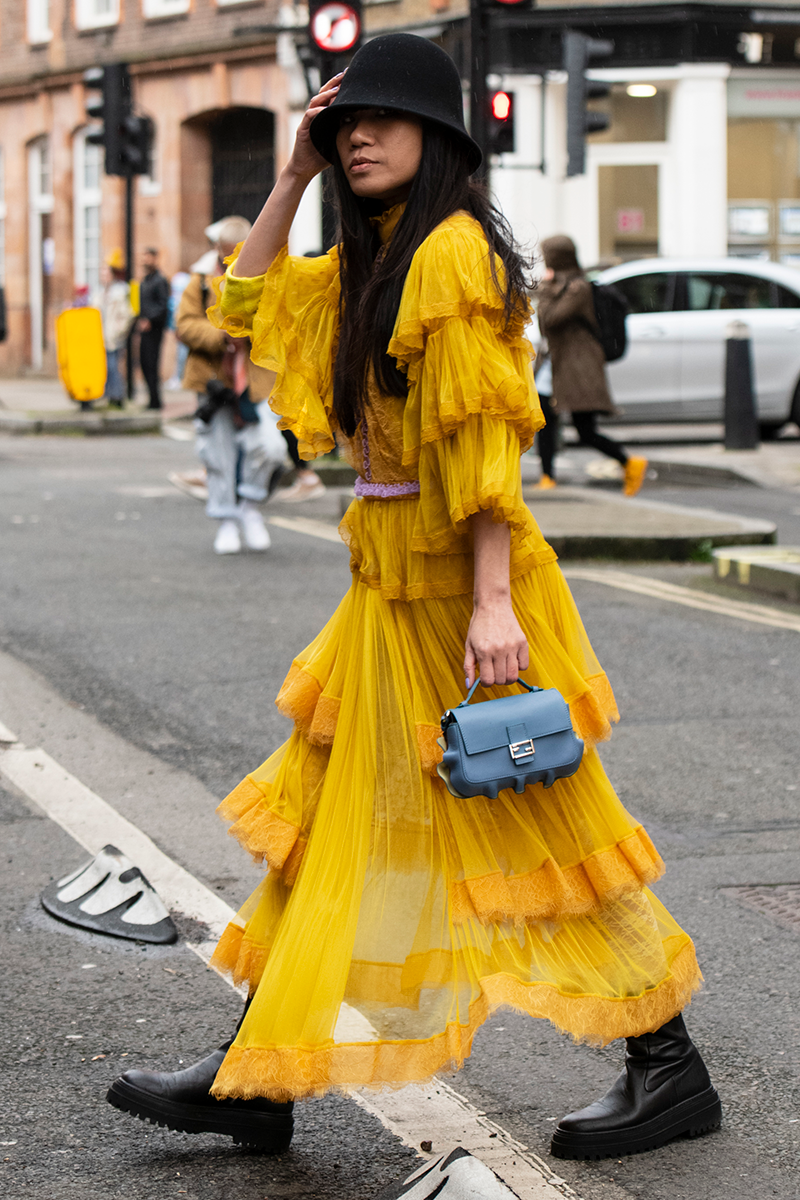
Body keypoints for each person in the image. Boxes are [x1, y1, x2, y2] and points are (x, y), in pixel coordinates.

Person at [107, 35, 720, 1163]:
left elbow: (484, 451)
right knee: (320, 823)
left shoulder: (446, 255)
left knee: (540, 818)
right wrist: (288, 176)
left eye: (384, 121)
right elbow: (242, 307)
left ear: (439, 141)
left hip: (456, 578)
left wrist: (492, 604)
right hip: (383, 578)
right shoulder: (370, 255)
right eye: (343, 125)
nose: (360, 136)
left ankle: (668, 1067)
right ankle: (257, 1074)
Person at [176, 215, 285, 555]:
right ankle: (226, 521)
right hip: (214, 381)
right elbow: (184, 325)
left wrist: (249, 330)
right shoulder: (201, 283)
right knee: (218, 454)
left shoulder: (268, 278)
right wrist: (220, 335)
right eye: (225, 255)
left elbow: (281, 323)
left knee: (271, 447)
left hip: (255, 381)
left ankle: (250, 507)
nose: (229, 262)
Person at [536, 236, 648, 497]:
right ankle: (547, 476)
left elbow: (551, 320)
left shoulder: (578, 288)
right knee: (544, 420)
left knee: (585, 430)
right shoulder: (561, 287)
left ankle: (629, 463)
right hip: (556, 365)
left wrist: (544, 289)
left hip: (577, 368)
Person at [99, 250, 135, 408]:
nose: (103, 275)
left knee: (114, 367)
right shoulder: (100, 293)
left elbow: (128, 314)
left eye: (106, 272)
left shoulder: (121, 291)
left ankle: (117, 396)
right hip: (101, 336)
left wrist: (119, 330)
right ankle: (108, 396)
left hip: (113, 335)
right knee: (105, 367)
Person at [138, 247, 170, 410]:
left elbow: (163, 305)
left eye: (148, 257)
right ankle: (151, 399)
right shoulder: (145, 281)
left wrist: (150, 319)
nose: (145, 260)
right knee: (144, 364)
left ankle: (156, 400)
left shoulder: (160, 280)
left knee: (152, 364)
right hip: (144, 328)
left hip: (154, 329)